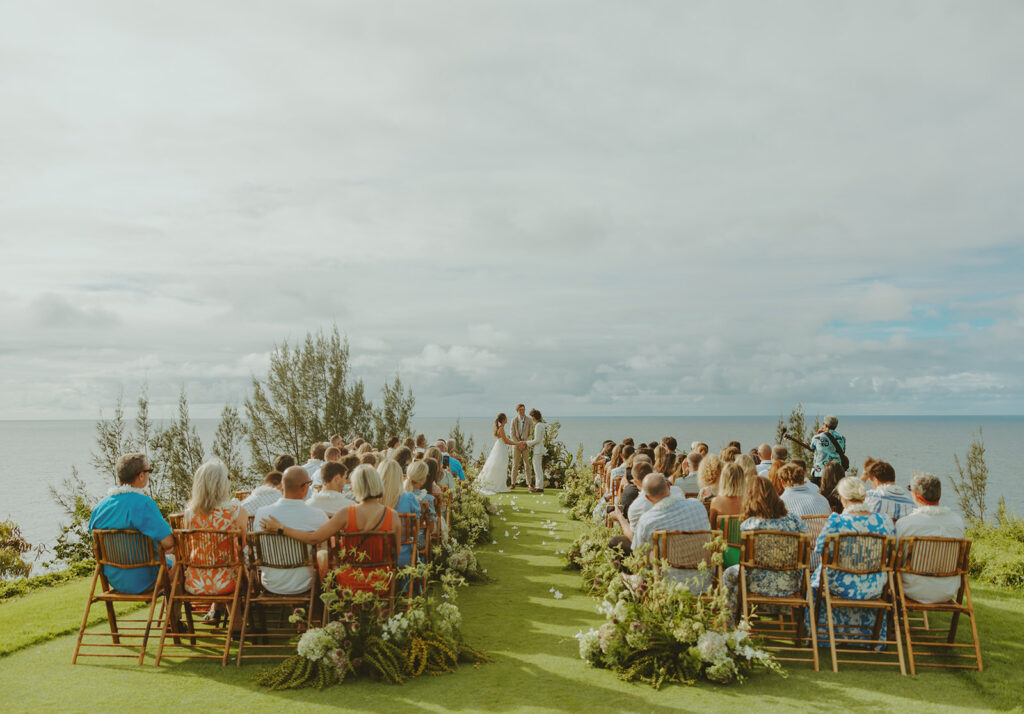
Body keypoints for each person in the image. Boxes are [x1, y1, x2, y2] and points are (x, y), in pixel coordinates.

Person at [262, 465, 401, 593]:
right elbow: (396, 554)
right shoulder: (393, 516)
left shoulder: (346, 514)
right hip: (382, 580)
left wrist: (281, 528)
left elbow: (314, 538)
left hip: (349, 581)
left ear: (356, 486)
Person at [811, 476, 895, 645]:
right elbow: (890, 555)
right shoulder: (884, 521)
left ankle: (824, 634)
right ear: (863, 497)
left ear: (842, 498)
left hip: (841, 585)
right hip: (874, 586)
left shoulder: (836, 521)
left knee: (815, 580)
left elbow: (821, 553)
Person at [722, 478, 809, 624]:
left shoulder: (749, 526)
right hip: (790, 584)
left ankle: (731, 622)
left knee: (729, 573)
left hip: (756, 585)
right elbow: (807, 547)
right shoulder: (794, 520)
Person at [88, 453, 174, 594]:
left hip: (116, 581)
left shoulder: (100, 508)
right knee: (180, 563)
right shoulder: (144, 504)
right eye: (148, 471)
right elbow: (169, 542)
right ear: (141, 475)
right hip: (147, 579)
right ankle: (174, 616)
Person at [610, 474, 711, 588]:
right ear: (668, 486)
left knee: (643, 552)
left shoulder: (648, 520)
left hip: (669, 582)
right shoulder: (697, 505)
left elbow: (639, 558)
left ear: (648, 498)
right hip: (704, 579)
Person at [183, 459, 248, 622]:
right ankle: (237, 622)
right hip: (228, 581)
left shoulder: (189, 513)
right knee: (240, 566)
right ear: (221, 483)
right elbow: (243, 546)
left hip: (195, 582)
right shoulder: (236, 511)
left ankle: (218, 611)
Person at [252, 467, 327, 594]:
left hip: (270, 582)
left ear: (281, 486)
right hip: (305, 583)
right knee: (325, 551)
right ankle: (320, 607)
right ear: (304, 487)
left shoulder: (261, 513)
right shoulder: (317, 515)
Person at [895, 472, 966, 604]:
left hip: (912, 589)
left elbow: (894, 557)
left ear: (916, 494)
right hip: (947, 590)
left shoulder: (906, 524)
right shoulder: (957, 522)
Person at [380, 459, 420, 567]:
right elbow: (417, 529)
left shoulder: (373, 501)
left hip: (378, 553)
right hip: (403, 555)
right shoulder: (409, 498)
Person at [474, 412, 525, 495]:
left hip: (500, 448)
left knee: (498, 466)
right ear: (504, 420)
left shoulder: (500, 428)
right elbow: (506, 441)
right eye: (506, 418)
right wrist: (517, 443)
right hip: (501, 449)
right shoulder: (501, 429)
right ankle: (497, 485)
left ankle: (497, 484)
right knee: (500, 466)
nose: (507, 419)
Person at [809, 415, 846, 482]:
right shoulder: (842, 438)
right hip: (836, 473)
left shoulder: (817, 437)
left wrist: (818, 433)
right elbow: (842, 451)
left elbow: (812, 448)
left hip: (819, 473)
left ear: (825, 425)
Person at [709, 462, 746, 526]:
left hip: (722, 536)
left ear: (723, 479)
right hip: (743, 536)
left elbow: (712, 527)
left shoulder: (716, 502)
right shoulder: (748, 501)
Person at [509, 404, 534, 489]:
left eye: (523, 409)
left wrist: (524, 442)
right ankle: (513, 483)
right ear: (517, 411)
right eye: (520, 410)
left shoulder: (530, 420)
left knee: (527, 464)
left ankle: (529, 483)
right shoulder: (513, 420)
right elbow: (512, 434)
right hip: (516, 446)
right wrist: (518, 443)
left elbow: (531, 433)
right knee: (515, 464)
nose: (522, 411)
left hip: (526, 445)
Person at [524, 408, 548, 492]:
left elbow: (537, 440)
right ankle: (539, 486)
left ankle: (539, 487)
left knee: (537, 469)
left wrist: (526, 442)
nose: (532, 418)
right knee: (538, 469)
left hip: (538, 450)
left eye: (532, 416)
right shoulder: (541, 424)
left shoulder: (538, 425)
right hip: (539, 449)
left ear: (535, 417)